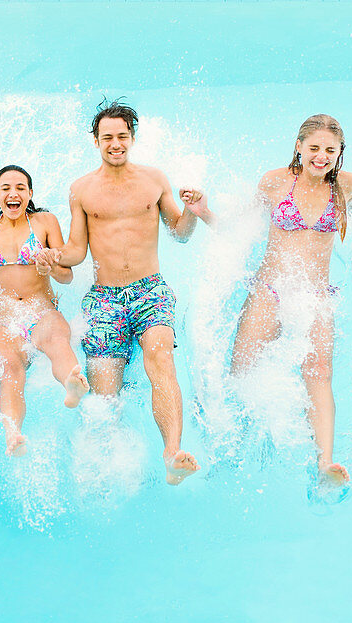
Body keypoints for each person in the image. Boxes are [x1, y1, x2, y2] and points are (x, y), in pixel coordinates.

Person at [49, 100, 214, 485]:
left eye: (122, 136)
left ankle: (172, 452)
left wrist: (192, 210)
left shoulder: (154, 180)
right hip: (104, 297)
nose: (115, 143)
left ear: (132, 138)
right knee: (106, 396)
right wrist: (52, 256)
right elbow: (76, 250)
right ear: (96, 141)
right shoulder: (81, 190)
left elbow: (180, 233)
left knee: (160, 356)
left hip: (150, 290)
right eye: (107, 137)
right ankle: (107, 471)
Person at [230, 114, 352, 488]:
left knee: (319, 376)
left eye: (329, 150)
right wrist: (204, 211)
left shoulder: (346, 187)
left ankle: (326, 462)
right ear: (299, 146)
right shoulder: (274, 182)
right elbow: (237, 222)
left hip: (314, 296)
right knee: (243, 372)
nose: (321, 156)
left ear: (339, 154)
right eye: (314, 148)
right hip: (270, 291)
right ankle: (238, 446)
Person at [0, 165, 90, 457]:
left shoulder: (44, 222)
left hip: (42, 310)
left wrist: (50, 265)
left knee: (56, 342)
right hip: (4, 319)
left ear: (30, 193)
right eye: (6, 188)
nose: (14, 194)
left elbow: (67, 276)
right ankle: (13, 434)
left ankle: (72, 384)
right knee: (9, 371)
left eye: (21, 188)